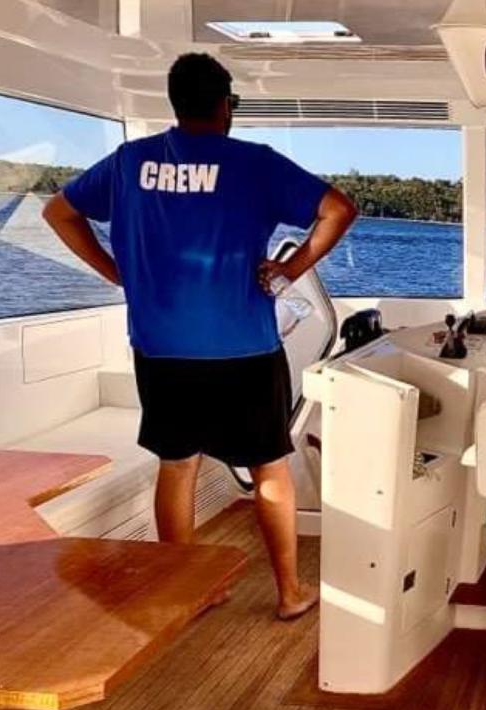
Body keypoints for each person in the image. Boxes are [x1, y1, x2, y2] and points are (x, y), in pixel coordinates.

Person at [42, 52, 358, 620]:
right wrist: (289, 270)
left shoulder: (129, 161)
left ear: (175, 103)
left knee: (178, 464)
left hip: (161, 347)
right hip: (245, 347)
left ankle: (193, 591)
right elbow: (338, 209)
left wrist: (116, 271)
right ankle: (289, 593)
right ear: (224, 105)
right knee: (268, 466)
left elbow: (58, 213)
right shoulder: (254, 163)